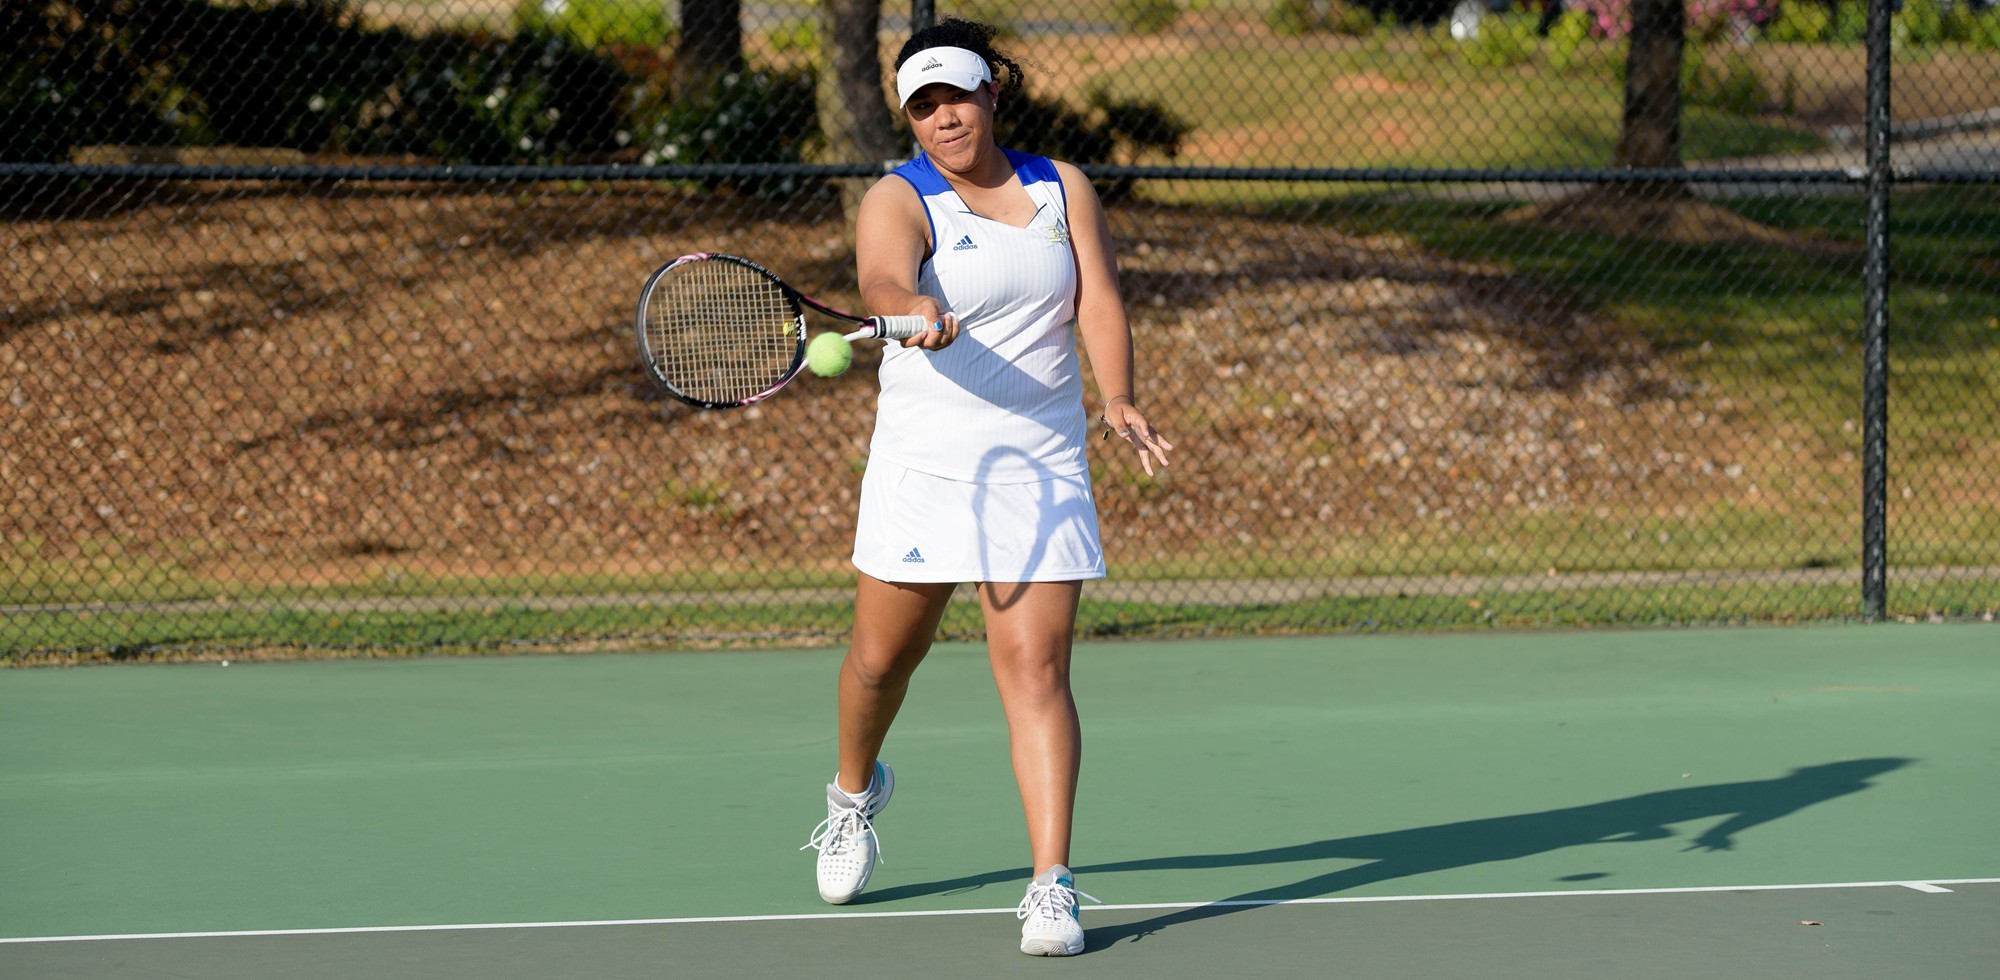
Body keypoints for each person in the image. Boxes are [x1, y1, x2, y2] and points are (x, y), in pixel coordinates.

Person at [796, 17, 1173, 958]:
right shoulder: (899, 195)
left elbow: (1096, 296)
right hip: (927, 466)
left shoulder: (1060, 186)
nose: (943, 119)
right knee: (881, 664)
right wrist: (911, 306)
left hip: (1041, 464)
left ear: (992, 93)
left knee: (1037, 672)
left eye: (956, 97)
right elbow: (882, 276)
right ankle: (852, 795)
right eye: (922, 106)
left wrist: (1118, 396)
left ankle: (1052, 885)